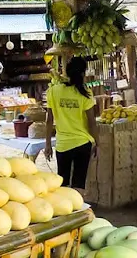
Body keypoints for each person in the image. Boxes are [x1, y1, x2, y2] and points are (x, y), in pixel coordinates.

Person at [45, 57, 97, 189]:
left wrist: (47, 145)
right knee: (79, 184)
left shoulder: (53, 91)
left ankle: (66, 209)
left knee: (63, 184)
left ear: (66, 72)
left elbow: (49, 120)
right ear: (83, 73)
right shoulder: (86, 93)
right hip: (82, 143)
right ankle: (80, 208)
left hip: (63, 145)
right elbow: (92, 122)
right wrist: (97, 142)